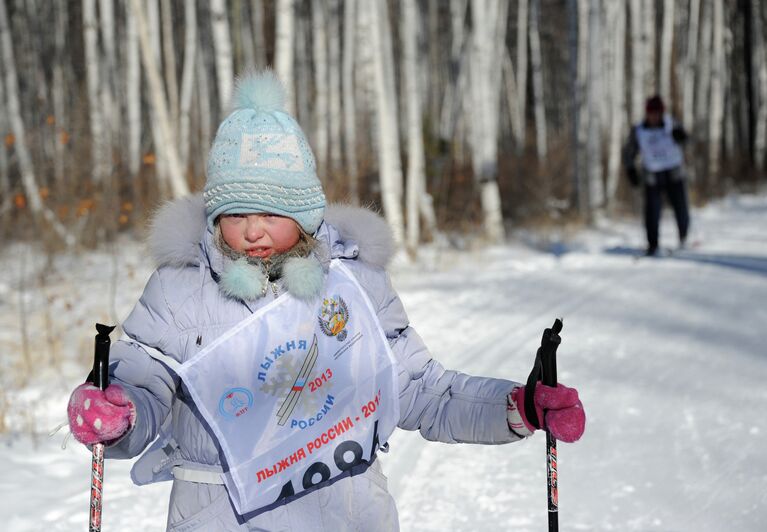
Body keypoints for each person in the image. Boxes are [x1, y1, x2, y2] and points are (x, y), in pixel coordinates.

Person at [66, 71, 585, 531]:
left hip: (346, 515)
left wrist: (517, 408)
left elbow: (420, 390)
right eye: (236, 213)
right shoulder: (180, 289)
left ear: (307, 214)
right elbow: (141, 387)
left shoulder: (354, 286)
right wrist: (120, 412)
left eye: (270, 214)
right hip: (216, 516)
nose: (251, 232)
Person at [623, 95, 691, 256]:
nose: (654, 117)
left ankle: (683, 237)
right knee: (652, 211)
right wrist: (631, 170)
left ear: (661, 113)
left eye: (657, 113)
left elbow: (686, 140)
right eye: (651, 113)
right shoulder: (639, 130)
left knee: (680, 207)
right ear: (647, 113)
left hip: (674, 172)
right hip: (652, 175)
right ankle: (653, 244)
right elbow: (628, 152)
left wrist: (681, 136)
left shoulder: (671, 124)